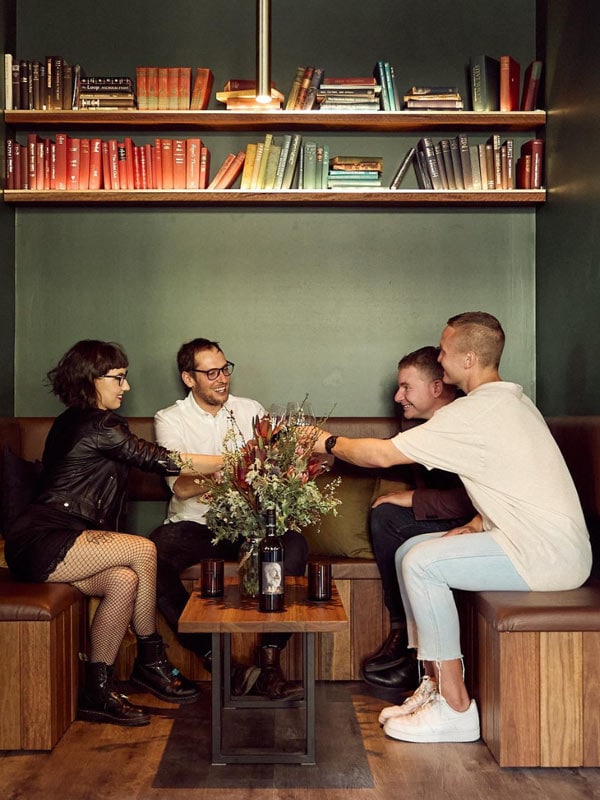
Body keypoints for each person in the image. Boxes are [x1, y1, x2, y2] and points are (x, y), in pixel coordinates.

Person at [314, 312, 592, 743]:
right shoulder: (509, 401)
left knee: (423, 564)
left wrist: (324, 441)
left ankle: (455, 707)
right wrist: (478, 522)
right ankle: (432, 683)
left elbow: (382, 455)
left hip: (548, 556)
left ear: (467, 358)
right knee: (411, 551)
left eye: (444, 352)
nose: (439, 360)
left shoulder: (476, 411)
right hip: (534, 543)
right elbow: (514, 479)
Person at [3, 340, 222, 727]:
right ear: (91, 380)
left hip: (63, 539)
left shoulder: (73, 419)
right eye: (118, 378)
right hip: (44, 539)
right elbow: (162, 460)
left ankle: (97, 692)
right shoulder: (99, 424)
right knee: (145, 550)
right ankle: (150, 660)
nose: (126, 387)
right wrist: (241, 458)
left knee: (123, 580)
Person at [149, 337, 308, 700]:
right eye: (211, 373)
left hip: (248, 525)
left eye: (225, 369)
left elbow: (271, 469)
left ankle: (269, 663)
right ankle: (217, 661)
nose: (222, 379)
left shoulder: (250, 409)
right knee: (152, 556)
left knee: (294, 545)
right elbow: (183, 487)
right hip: (195, 525)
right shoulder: (170, 419)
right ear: (189, 379)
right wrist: (238, 468)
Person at [362, 346, 476, 694]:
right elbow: (383, 452)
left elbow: (471, 499)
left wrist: (412, 497)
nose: (398, 396)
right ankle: (403, 636)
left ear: (437, 388)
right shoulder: (419, 424)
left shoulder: (463, 423)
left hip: (479, 525)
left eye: (406, 387)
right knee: (385, 516)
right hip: (451, 519)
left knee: (399, 534)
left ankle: (415, 658)